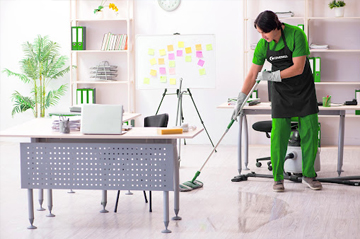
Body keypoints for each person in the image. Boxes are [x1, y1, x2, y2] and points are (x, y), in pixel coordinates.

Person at [232, 10, 322, 192]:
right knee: (279, 135)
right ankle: (278, 178)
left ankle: (309, 175)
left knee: (310, 133)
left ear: (276, 27)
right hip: (281, 93)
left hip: (303, 89)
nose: (263, 36)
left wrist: (272, 75)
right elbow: (252, 74)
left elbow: (298, 68)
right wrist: (240, 98)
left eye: (264, 32)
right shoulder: (263, 45)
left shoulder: (296, 35)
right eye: (259, 33)